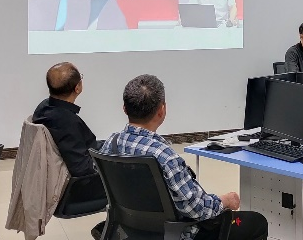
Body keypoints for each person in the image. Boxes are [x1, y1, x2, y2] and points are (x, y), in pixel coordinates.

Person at [100, 74, 268, 240]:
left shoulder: (111, 144)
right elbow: (196, 209)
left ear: (124, 108)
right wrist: (224, 201)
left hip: (131, 230)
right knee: (256, 222)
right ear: (162, 110)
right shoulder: (165, 156)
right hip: (178, 233)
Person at [33, 62, 100, 177]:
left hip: (84, 152)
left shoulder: (44, 107)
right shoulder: (67, 121)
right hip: (86, 178)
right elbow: (82, 168)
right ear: (77, 88)